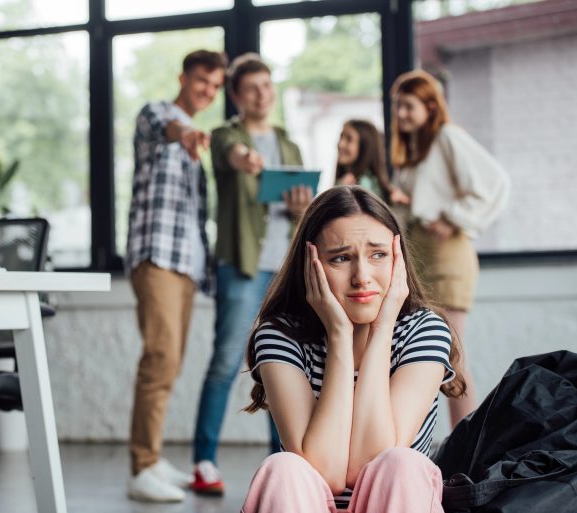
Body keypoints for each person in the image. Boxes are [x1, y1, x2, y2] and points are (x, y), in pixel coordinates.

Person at [240, 185, 466, 512]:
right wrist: (339, 336)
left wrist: (382, 329)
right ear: (310, 265)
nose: (362, 277)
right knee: (283, 468)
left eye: (378, 255)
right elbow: (325, 471)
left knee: (400, 464)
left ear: (397, 261)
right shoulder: (280, 335)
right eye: (341, 258)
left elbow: (371, 462)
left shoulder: (424, 330)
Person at [191, 53, 313, 496]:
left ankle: (285, 461)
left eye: (267, 85)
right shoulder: (227, 135)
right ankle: (204, 460)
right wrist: (245, 157)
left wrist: (303, 207)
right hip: (241, 266)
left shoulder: (289, 143)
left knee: (284, 364)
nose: (262, 94)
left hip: (286, 271)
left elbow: (303, 212)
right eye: (252, 88)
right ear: (237, 96)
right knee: (227, 362)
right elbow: (228, 153)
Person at [125, 49, 227, 503]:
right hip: (157, 256)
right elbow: (166, 129)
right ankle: (141, 466)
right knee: (160, 359)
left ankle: (154, 459)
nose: (207, 90)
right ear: (183, 77)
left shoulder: (197, 147)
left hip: (185, 264)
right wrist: (184, 132)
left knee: (171, 362)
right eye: (202, 80)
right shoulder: (157, 115)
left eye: (215, 86)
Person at [388, 70, 510, 427]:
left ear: (430, 106)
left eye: (408, 106)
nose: (401, 114)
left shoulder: (447, 136)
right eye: (398, 107)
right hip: (421, 257)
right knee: (427, 357)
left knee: (452, 358)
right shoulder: (416, 150)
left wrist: (453, 217)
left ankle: (465, 449)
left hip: (447, 256)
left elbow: (495, 182)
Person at [334, 120, 391, 202]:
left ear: (364, 147)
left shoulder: (364, 185)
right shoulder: (345, 180)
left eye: (349, 139)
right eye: (341, 137)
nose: (340, 144)